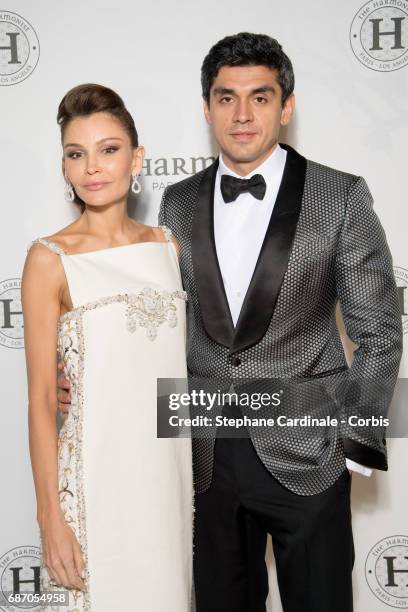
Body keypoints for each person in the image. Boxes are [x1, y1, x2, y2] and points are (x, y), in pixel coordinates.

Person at [58, 34, 403, 612]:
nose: (242, 115)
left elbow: (379, 331)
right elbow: (156, 322)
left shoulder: (340, 196)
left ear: (286, 107)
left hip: (309, 458)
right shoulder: (176, 202)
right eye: (226, 98)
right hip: (205, 461)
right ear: (207, 107)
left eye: (260, 97)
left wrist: (354, 442)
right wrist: (82, 373)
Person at [22, 84, 193, 612]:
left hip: (168, 480)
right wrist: (50, 518)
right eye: (76, 154)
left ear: (136, 158)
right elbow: (43, 401)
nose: (92, 167)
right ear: (65, 167)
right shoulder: (49, 259)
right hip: (94, 483)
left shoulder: (168, 246)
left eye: (109, 149)